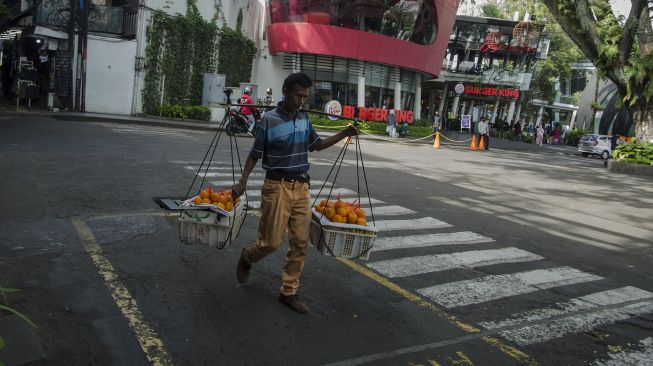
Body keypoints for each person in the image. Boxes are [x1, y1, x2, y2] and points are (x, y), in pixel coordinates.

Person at [232, 72, 358, 314]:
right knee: (271, 242)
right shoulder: (269, 120)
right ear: (286, 92)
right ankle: (248, 256)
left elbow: (316, 145)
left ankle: (288, 291)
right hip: (276, 187)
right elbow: (255, 153)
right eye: (299, 95)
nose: (302, 100)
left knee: (300, 242)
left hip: (301, 186)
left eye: (305, 96)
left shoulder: (304, 118)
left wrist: (345, 134)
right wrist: (242, 181)